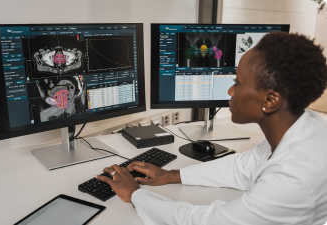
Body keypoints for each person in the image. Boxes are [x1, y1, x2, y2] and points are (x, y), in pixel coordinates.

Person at [96, 32, 327, 224]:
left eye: (237, 82)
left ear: (270, 101)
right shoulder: (305, 125)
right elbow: (240, 168)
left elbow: (205, 222)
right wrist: (169, 175)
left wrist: (135, 195)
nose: (230, 92)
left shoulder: (294, 178)